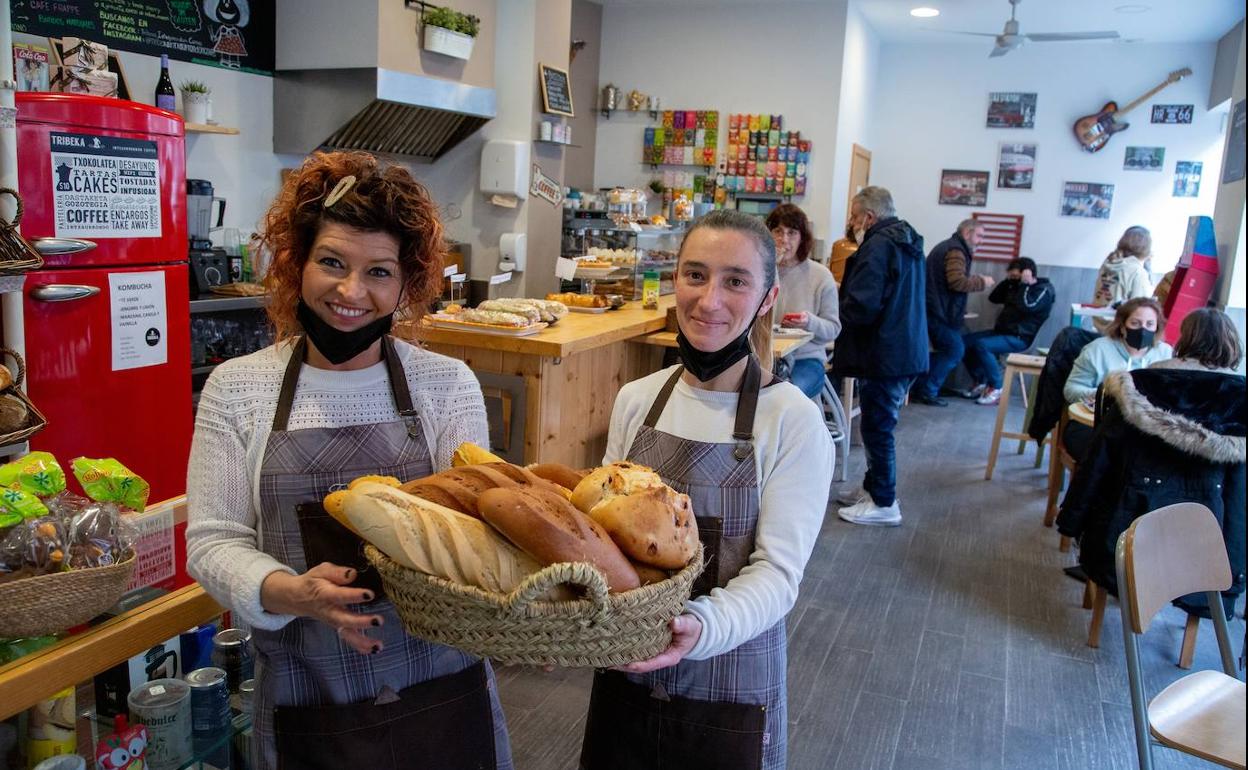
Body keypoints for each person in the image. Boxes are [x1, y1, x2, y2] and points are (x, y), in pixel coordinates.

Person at [185, 152, 512, 770]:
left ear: (407, 285)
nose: (350, 292)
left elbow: (479, 537)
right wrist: (295, 593)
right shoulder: (239, 389)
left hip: (443, 691)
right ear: (296, 263)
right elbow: (212, 543)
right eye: (332, 262)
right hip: (310, 700)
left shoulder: (446, 386)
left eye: (379, 272)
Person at [579, 210, 833, 770]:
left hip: (731, 682)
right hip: (629, 671)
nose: (709, 300)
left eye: (735, 281)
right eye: (695, 275)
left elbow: (778, 573)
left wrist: (703, 627)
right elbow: (601, 537)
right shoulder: (638, 400)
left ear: (767, 298)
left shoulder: (792, 421)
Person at [1056, 307, 1243, 620]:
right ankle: (1189, 644)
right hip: (1210, 534)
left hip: (1130, 521)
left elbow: (1100, 460)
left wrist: (1074, 520)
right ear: (1233, 345)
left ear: (1183, 339)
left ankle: (1101, 619)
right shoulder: (1240, 400)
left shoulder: (1142, 384)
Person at [831, 186, 927, 527]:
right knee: (879, 422)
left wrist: (837, 311)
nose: (853, 224)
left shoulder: (879, 246)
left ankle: (885, 501)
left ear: (869, 217)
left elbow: (862, 306)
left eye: (855, 217)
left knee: (877, 426)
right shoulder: (909, 242)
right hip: (905, 347)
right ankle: (874, 488)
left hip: (884, 351)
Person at [1061, 297, 1172, 461]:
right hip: (1096, 424)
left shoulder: (1165, 353)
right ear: (1122, 326)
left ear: (1157, 328)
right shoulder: (1097, 350)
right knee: (1110, 457)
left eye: (1149, 324)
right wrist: (1102, 394)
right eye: (1135, 323)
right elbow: (1071, 390)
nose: (1143, 330)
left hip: (1144, 428)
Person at [911, 218, 993, 406]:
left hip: (935, 311)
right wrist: (982, 282)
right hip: (938, 313)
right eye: (979, 236)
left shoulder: (950, 247)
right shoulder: (956, 251)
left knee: (958, 345)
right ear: (967, 233)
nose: (981, 241)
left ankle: (925, 386)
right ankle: (927, 390)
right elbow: (956, 282)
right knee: (955, 350)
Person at [766, 203, 841, 399]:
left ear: (802, 238)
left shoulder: (820, 276)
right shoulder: (761, 273)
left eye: (792, 233)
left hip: (806, 359)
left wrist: (809, 321)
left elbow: (833, 329)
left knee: (786, 395)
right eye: (778, 231)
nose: (784, 239)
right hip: (765, 356)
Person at [962, 257, 1056, 405]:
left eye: (1016, 276)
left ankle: (997, 387)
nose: (1014, 280)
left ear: (1027, 273)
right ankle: (981, 381)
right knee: (965, 342)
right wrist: (1008, 281)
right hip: (1002, 332)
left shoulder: (1043, 289)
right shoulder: (1014, 286)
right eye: (1012, 276)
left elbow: (1028, 306)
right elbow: (994, 298)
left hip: (1020, 338)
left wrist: (1025, 284)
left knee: (982, 345)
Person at [1090, 225, 1153, 332]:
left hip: (1099, 324)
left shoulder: (1107, 263)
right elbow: (1142, 309)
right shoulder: (1137, 272)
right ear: (1146, 248)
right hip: (1120, 331)